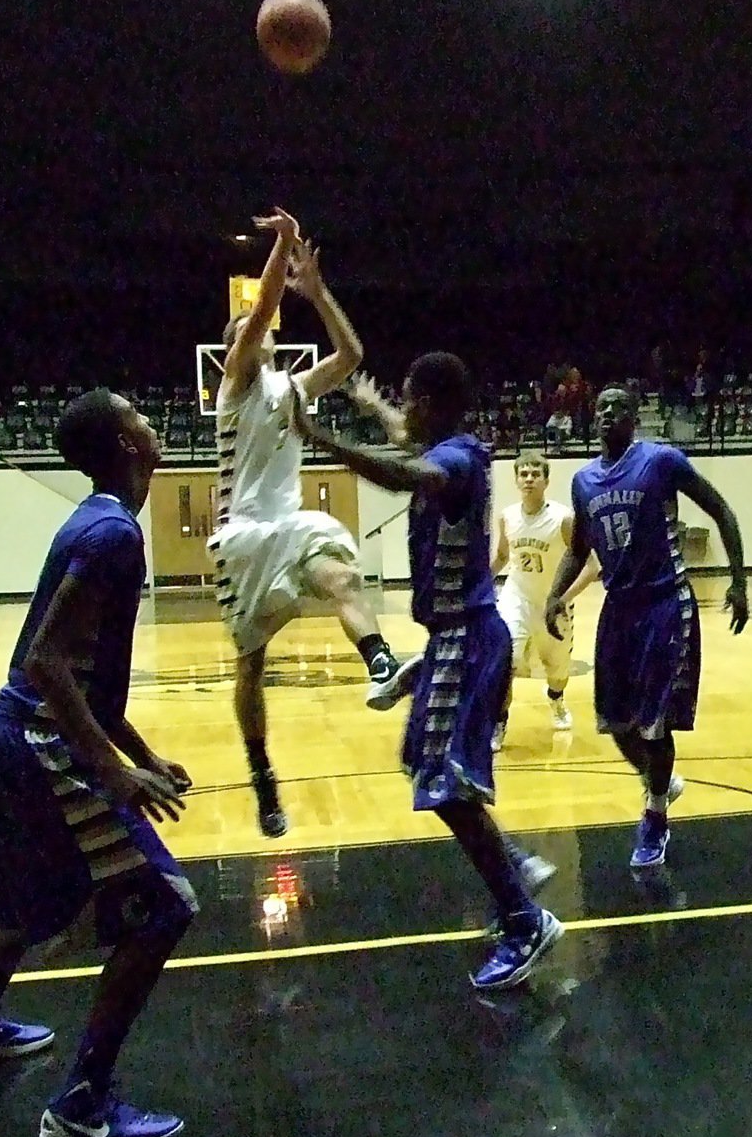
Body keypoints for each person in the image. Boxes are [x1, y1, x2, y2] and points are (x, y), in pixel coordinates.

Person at [0, 389, 198, 1137]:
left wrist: (141, 754)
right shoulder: (114, 531)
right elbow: (47, 661)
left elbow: (77, 670)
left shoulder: (100, 522)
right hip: (42, 741)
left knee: (9, 908)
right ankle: (82, 1105)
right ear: (127, 441)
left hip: (9, 730)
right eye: (140, 415)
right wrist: (113, 772)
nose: (153, 421)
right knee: (167, 906)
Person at [291, 352, 563, 989]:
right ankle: (514, 866)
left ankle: (525, 919)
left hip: (468, 638)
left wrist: (323, 438)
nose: (404, 410)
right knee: (420, 762)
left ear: (435, 406)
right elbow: (404, 440)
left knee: (445, 783)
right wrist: (372, 405)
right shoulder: (449, 445)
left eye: (410, 400)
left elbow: (403, 470)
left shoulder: (455, 462)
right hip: (453, 638)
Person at [208, 209, 415, 839]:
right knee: (251, 666)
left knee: (342, 574)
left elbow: (351, 355)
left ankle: (379, 664)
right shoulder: (237, 384)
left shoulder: (295, 389)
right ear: (235, 346)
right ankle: (262, 773)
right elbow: (266, 304)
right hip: (243, 537)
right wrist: (284, 243)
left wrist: (319, 294)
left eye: (262, 326)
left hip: (289, 525)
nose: (262, 329)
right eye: (250, 326)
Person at [545, 385, 748, 868]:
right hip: (620, 607)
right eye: (601, 408)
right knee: (614, 722)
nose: (608, 414)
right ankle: (662, 781)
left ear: (635, 419)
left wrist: (738, 580)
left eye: (619, 407)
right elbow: (579, 548)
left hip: (665, 601)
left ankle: (654, 816)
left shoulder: (660, 461)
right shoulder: (583, 480)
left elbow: (720, 508)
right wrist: (554, 594)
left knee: (655, 724)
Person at [491, 451, 601, 751]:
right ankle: (498, 722)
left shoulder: (563, 518)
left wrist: (563, 600)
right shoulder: (508, 516)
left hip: (553, 606)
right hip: (516, 598)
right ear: (516, 479)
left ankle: (556, 699)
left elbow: (591, 566)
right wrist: (481, 582)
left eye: (534, 474)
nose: (528, 479)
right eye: (523, 473)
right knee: (505, 662)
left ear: (546, 480)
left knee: (558, 672)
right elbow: (502, 557)